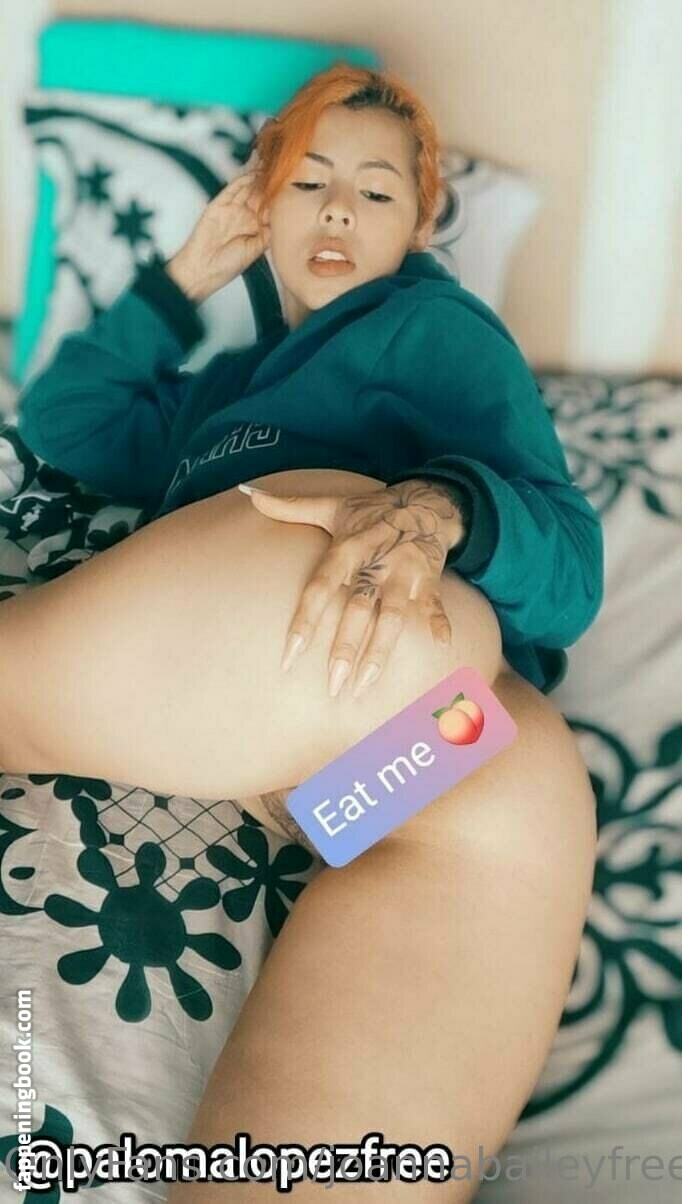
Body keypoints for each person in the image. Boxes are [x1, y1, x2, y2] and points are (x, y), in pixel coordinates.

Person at [7, 63, 601, 1198]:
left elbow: (570, 569)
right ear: (261, 203)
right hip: (445, 746)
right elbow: (66, 422)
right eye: (307, 182)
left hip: (389, 665)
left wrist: (437, 507)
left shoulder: (432, 329)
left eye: (376, 192)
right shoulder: (219, 393)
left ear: (420, 223)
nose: (336, 211)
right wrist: (185, 276)